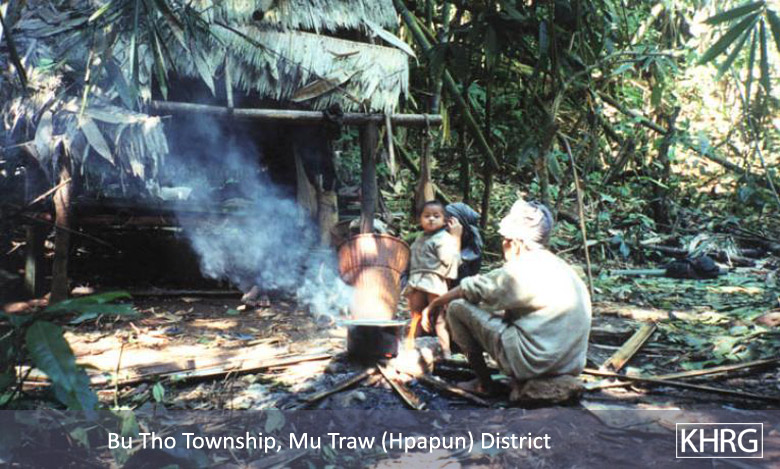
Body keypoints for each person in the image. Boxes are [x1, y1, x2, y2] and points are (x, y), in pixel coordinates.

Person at [425, 199, 591, 395]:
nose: (503, 245)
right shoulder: (564, 269)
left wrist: (435, 303)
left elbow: (470, 288)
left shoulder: (520, 270)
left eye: (505, 240)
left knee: (456, 308)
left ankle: (484, 384)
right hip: (567, 364)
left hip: (533, 362)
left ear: (516, 243)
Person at [405, 200, 462, 356]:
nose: (431, 219)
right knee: (415, 316)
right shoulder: (419, 237)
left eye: (436, 216)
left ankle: (446, 351)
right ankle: (411, 348)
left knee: (439, 319)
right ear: (420, 219)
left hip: (434, 281)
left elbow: (450, 261)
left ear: (444, 221)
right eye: (427, 216)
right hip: (416, 280)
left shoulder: (444, 238)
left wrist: (456, 238)